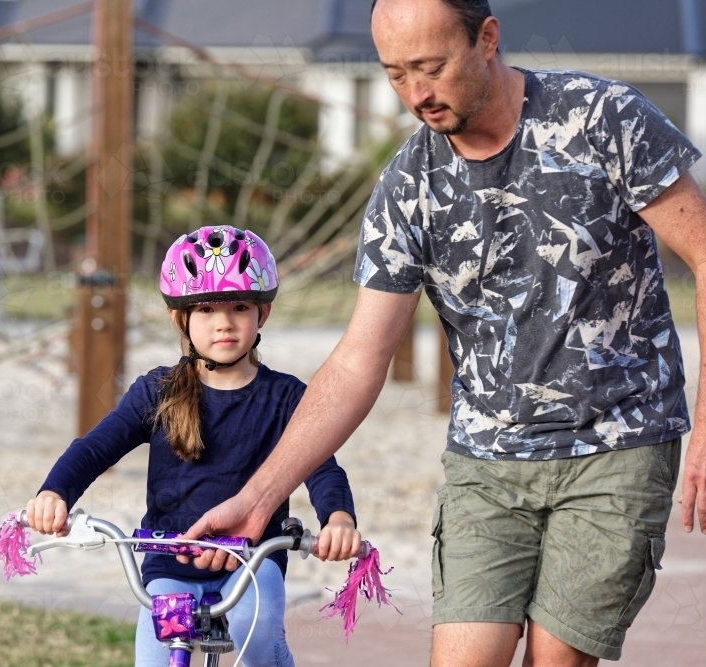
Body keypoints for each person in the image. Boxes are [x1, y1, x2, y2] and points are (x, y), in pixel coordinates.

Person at [181, 1, 706, 666]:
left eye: (431, 67)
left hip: (616, 446)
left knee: (557, 658)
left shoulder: (601, 118)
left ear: (487, 38)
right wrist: (257, 498)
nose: (416, 94)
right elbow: (358, 358)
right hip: (485, 464)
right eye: (396, 75)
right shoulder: (407, 186)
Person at [25, 225, 362, 667]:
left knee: (253, 630)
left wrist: (338, 518)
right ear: (179, 317)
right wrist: (55, 492)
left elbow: (321, 467)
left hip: (252, 560)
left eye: (239, 306)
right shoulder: (157, 392)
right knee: (157, 657)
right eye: (205, 309)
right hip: (170, 562)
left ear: (263, 313)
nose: (223, 322)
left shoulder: (286, 398)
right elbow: (95, 448)